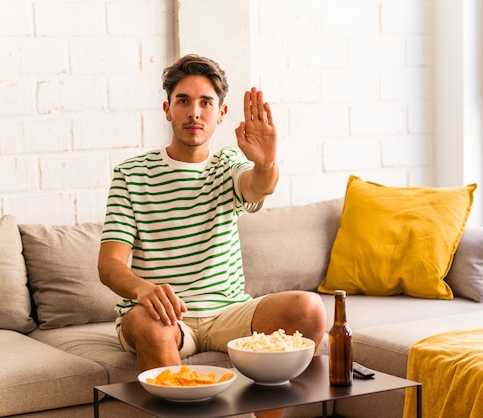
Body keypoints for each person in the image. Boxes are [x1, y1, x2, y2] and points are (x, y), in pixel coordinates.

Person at [98, 54, 327, 418]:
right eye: (183, 101)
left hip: (229, 311)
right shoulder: (132, 175)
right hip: (164, 317)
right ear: (167, 109)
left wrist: (266, 163)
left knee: (310, 309)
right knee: (147, 323)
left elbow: (256, 187)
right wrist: (143, 290)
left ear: (220, 114)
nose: (194, 112)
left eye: (206, 102)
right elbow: (109, 265)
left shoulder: (227, 166)